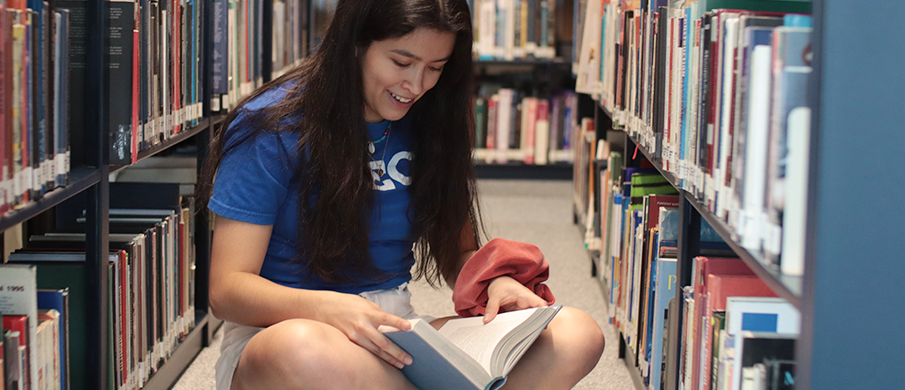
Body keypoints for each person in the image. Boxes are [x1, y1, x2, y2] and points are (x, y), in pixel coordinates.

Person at [195, 0, 604, 389]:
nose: (416, 85)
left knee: (575, 335)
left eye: (435, 67)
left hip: (400, 335)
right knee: (305, 352)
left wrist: (495, 284)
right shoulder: (271, 126)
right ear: (355, 44)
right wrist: (326, 308)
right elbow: (228, 290)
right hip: (288, 329)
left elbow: (457, 253)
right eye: (402, 62)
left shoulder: (435, 120)